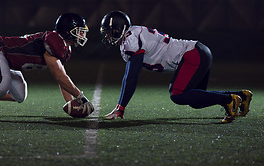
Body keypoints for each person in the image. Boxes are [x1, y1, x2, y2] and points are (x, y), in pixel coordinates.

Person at [100, 10, 252, 123]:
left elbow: (131, 77)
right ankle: (241, 96)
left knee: (177, 94)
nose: (106, 36)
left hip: (192, 54)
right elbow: (130, 76)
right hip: (198, 51)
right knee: (195, 100)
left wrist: (120, 108)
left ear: (119, 29)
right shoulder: (132, 37)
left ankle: (227, 100)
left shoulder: (130, 40)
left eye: (109, 32)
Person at [0, 13, 94, 119]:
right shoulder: (54, 42)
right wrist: (81, 97)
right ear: (67, 32)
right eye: (78, 32)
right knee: (1, 86)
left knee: (20, 95)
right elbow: (61, 78)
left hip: (9, 60)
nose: (82, 35)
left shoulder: (65, 49)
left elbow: (62, 80)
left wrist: (70, 102)